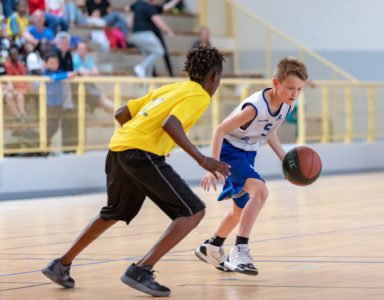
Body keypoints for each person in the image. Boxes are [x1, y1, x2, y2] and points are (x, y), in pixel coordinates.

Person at [41, 46, 230, 297]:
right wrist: (203, 160)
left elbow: (122, 113)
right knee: (193, 211)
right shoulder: (200, 95)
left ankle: (60, 265)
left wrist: (147, 138)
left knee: (114, 212)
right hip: (140, 154)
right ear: (214, 76)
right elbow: (170, 123)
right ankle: (141, 270)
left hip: (118, 149)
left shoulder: (171, 88)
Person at [195, 57, 308, 275]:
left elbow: (270, 131)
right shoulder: (254, 108)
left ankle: (212, 246)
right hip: (230, 151)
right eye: (290, 88)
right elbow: (220, 130)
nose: (294, 94)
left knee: (240, 210)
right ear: (276, 83)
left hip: (248, 153)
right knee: (261, 191)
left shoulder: (287, 104)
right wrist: (213, 165)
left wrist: (285, 159)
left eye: (299, 89)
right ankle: (240, 250)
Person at [128, 0, 170, 78]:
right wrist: (168, 30)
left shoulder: (136, 5)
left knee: (148, 57)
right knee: (159, 51)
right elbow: (157, 20)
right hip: (145, 34)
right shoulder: (149, 7)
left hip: (135, 35)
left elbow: (130, 22)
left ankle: (146, 82)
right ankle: (141, 67)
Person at [43, 52, 77, 144]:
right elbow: (54, 77)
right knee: (51, 126)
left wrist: (70, 74)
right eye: (51, 63)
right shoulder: (47, 73)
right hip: (49, 104)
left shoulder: (59, 72)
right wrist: (67, 75)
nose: (54, 65)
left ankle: (46, 145)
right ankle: (43, 143)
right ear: (46, 64)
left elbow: (63, 74)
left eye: (56, 63)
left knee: (55, 126)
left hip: (58, 104)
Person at [72, 41, 114, 113]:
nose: (83, 51)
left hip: (88, 85)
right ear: (76, 50)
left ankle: (115, 111)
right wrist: (90, 73)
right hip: (79, 87)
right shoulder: (75, 59)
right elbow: (83, 73)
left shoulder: (87, 60)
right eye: (81, 49)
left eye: (85, 49)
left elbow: (97, 73)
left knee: (103, 99)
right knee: (103, 101)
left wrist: (86, 73)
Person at [4, 45, 30, 122]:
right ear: (9, 55)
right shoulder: (6, 65)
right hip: (8, 88)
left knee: (20, 95)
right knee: (9, 96)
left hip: (20, 89)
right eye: (12, 53)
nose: (14, 55)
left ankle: (22, 115)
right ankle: (17, 116)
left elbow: (25, 80)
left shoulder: (21, 65)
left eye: (16, 53)